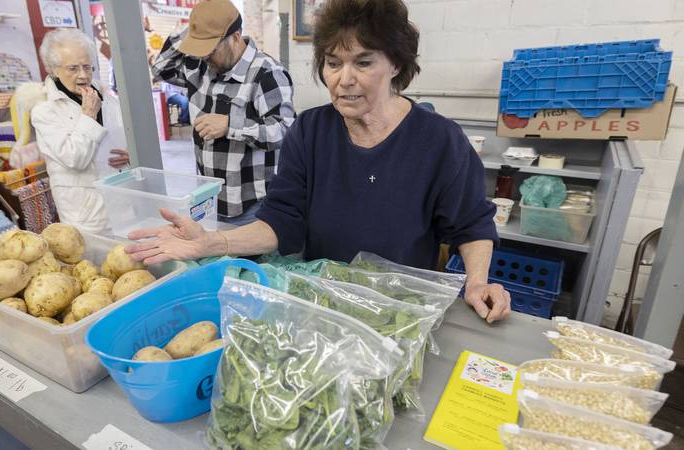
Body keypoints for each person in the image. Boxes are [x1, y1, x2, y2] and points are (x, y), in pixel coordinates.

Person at [127, 0, 511, 323]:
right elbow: (281, 221)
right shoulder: (311, 131)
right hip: (324, 306)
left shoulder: (439, 139)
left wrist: (477, 283)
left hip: (401, 312)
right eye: (332, 63)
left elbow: (471, 224)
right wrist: (213, 242)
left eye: (362, 63)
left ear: (395, 64)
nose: (344, 79)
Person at [151, 0, 296, 226]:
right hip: (208, 198)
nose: (205, 57)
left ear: (236, 36)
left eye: (211, 49)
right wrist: (196, 28)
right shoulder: (200, 66)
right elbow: (161, 69)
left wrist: (230, 125)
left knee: (246, 262)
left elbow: (285, 132)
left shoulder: (267, 73)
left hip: (251, 205)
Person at [31, 28, 130, 234]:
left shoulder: (106, 97)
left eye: (87, 67)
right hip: (85, 212)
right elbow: (74, 159)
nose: (83, 75)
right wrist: (88, 116)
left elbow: (123, 135)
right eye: (73, 69)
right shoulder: (44, 111)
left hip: (121, 201)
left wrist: (131, 156)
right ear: (53, 69)